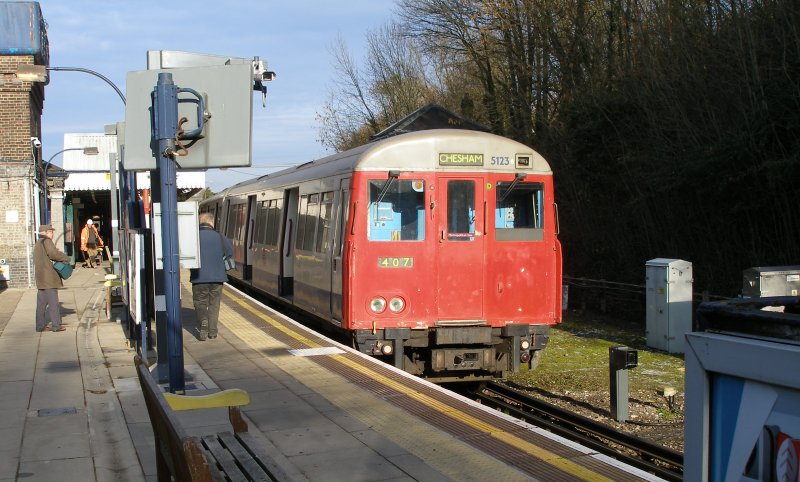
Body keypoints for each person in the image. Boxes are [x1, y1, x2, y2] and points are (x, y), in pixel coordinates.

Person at [190, 212, 233, 341]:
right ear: (212, 223)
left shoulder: (194, 237)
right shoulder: (220, 236)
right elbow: (229, 252)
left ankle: (203, 320)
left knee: (200, 301)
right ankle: (213, 331)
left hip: (199, 277)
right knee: (214, 303)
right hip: (218, 277)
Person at [34, 224, 72, 332]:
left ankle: (40, 326)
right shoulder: (47, 241)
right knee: (53, 303)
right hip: (48, 278)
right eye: (51, 231)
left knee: (41, 304)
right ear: (45, 232)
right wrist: (65, 257)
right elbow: (53, 254)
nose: (52, 233)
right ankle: (56, 326)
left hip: (40, 278)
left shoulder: (38, 243)